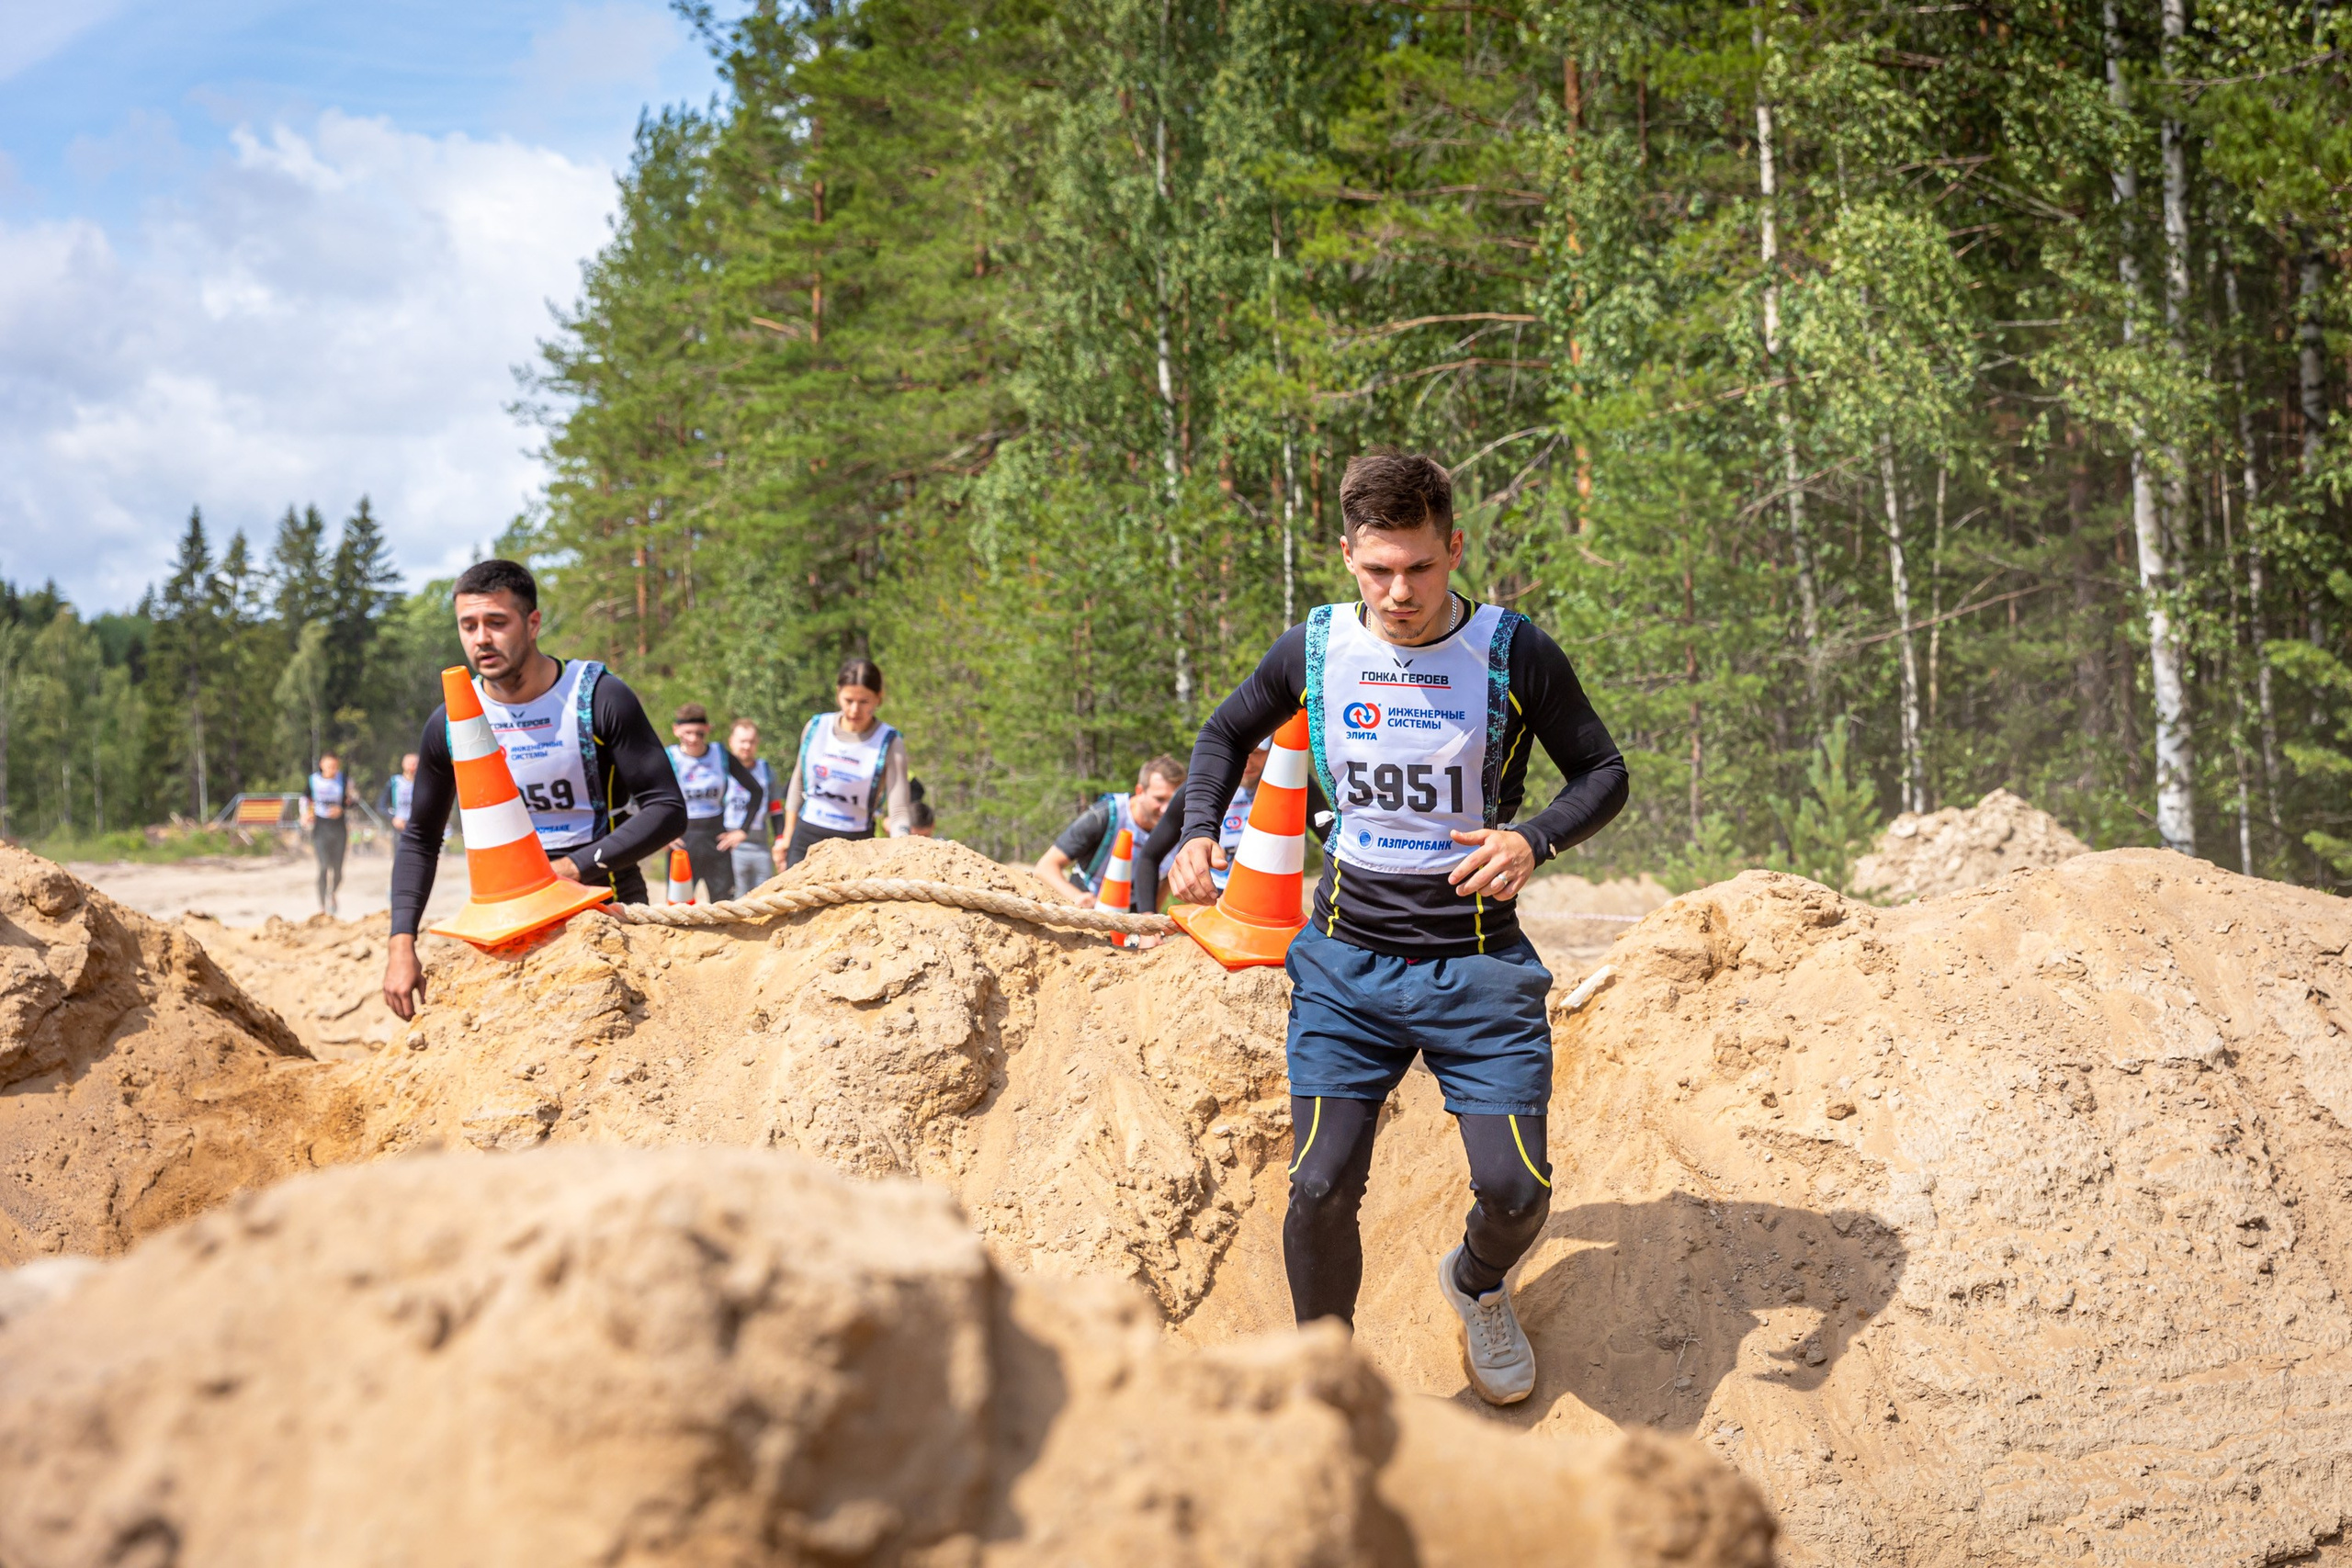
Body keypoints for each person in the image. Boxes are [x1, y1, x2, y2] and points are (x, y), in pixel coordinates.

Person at [1166, 452, 1627, 1406]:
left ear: (1453, 548)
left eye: (1420, 567)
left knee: (1518, 1192)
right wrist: (1199, 828)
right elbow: (1222, 733)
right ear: (1348, 557)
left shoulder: (1512, 651)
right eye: (1378, 570)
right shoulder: (1317, 645)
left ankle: (1477, 1284)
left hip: (1479, 964)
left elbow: (1604, 771)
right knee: (1319, 1185)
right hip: (1348, 963)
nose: (1400, 592)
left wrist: (1534, 839)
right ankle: (1327, 1381)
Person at [380, 559, 689, 1021]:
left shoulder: (598, 696)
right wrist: (401, 944)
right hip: (506, 921)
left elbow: (666, 809)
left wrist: (568, 868)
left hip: (605, 904)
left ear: (533, 623)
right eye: (468, 625)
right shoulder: (451, 721)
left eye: (496, 622)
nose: (481, 638)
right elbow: (421, 838)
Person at [777, 657, 912, 869]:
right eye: (848, 700)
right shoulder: (816, 727)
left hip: (856, 842)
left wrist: (903, 851)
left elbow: (898, 811)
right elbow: (798, 782)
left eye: (864, 702)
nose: (854, 710)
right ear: (838, 693)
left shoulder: (890, 742)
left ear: (879, 698)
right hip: (807, 837)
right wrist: (786, 836)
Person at [1035, 755, 1184, 907]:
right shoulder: (1105, 815)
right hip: (1084, 908)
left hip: (1131, 917)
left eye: (1173, 801)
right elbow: (1045, 867)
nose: (1166, 809)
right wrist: (1077, 897)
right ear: (1140, 792)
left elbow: (1161, 892)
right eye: (1159, 799)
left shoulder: (1183, 833)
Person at [666, 705, 767, 902]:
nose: (693, 739)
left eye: (699, 733)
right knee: (679, 907)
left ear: (707, 729)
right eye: (687, 733)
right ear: (676, 730)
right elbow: (643, 796)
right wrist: (662, 835)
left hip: (717, 840)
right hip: (683, 842)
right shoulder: (669, 757)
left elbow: (756, 790)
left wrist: (742, 831)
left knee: (723, 905)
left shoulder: (719, 754)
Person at [720, 718, 778, 896]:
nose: (746, 746)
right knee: (733, 898)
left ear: (757, 743)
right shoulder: (721, 770)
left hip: (759, 844)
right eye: (742, 741)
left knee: (763, 895)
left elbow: (776, 809)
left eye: (751, 742)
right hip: (728, 844)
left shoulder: (766, 770)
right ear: (731, 741)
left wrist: (780, 839)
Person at [301, 751, 348, 917]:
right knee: (323, 867)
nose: (332, 769)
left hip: (339, 829)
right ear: (322, 765)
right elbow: (305, 798)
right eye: (329, 766)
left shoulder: (344, 780)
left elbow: (353, 800)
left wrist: (341, 809)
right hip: (320, 828)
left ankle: (332, 893)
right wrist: (305, 814)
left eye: (335, 766)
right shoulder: (313, 780)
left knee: (338, 872)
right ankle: (322, 908)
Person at [378, 751, 420, 834]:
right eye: (409, 763)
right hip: (400, 830)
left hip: (417, 828)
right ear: (403, 764)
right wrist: (393, 818)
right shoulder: (394, 782)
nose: (412, 766)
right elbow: (381, 805)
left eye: (415, 764)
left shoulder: (424, 784)